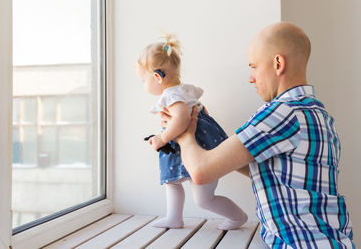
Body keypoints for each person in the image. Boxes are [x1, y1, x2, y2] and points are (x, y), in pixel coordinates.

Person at [168, 22, 355, 248]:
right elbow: (270, 170)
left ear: (278, 63)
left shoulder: (281, 112)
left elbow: (200, 171)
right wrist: (208, 135)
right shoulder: (318, 114)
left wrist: (183, 133)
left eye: (254, 66)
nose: (250, 77)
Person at [136, 33, 248, 230]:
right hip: (189, 148)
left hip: (196, 148)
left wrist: (162, 137)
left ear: (156, 77)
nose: (143, 85)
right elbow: (201, 111)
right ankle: (174, 217)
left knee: (203, 199)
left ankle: (237, 217)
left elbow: (182, 119)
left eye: (143, 80)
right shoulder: (184, 91)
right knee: (173, 182)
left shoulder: (172, 96)